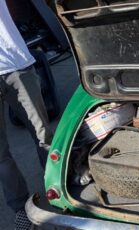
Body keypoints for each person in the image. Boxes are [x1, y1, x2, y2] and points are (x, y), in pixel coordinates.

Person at [0, 1, 53, 229]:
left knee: (44, 137)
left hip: (15, 65)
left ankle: (58, 189)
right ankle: (21, 208)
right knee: (0, 154)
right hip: (15, 65)